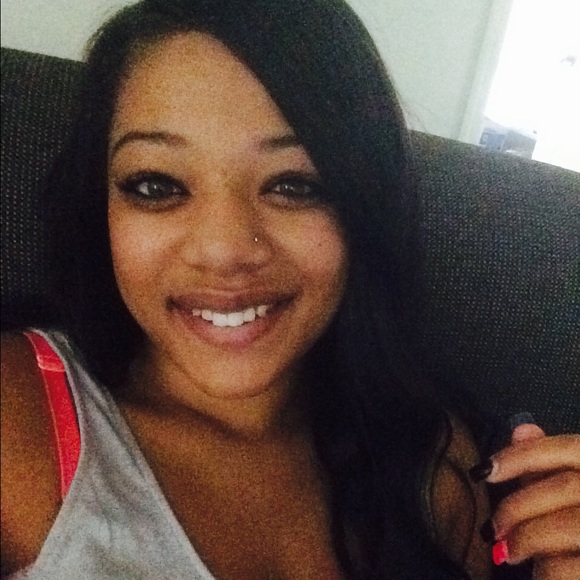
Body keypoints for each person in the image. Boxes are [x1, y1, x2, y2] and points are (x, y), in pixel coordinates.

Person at [1, 0, 578, 578]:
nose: (223, 250)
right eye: (156, 185)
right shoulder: (16, 417)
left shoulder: (439, 469)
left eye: (294, 185)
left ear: (364, 207)